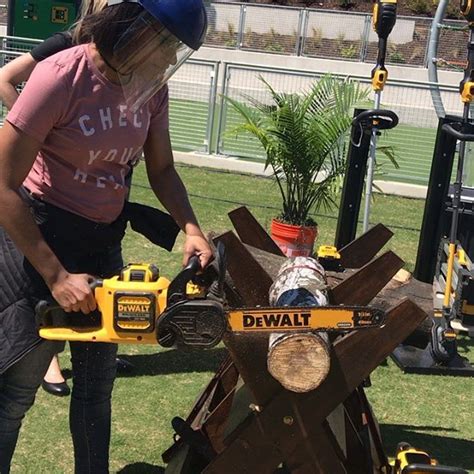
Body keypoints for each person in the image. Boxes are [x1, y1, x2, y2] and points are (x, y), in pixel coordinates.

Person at [0, 0, 211, 471]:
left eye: (176, 50)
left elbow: (162, 168)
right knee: (15, 394)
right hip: (42, 242)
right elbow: (2, 184)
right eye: (165, 44)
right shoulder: (60, 76)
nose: (166, 59)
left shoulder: (151, 88)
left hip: (103, 247)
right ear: (131, 25)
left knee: (96, 392)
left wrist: (191, 229)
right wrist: (56, 277)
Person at [0, 0, 133, 398]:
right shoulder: (68, 44)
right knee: (28, 356)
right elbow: (4, 78)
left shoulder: (139, 71)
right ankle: (49, 362)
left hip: (99, 224)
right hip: (50, 213)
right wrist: (38, 128)